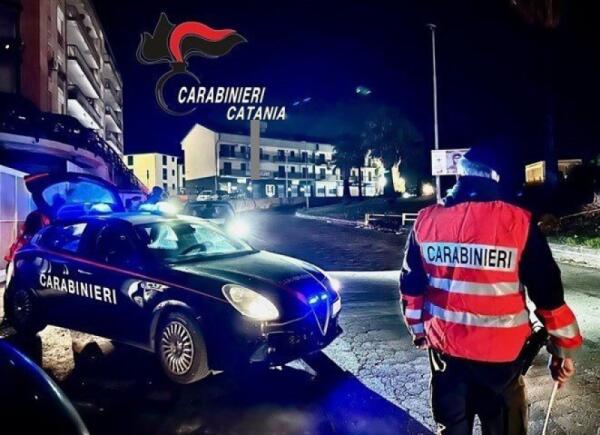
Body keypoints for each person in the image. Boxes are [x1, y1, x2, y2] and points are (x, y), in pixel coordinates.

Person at [399, 145, 582, 435]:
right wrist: (562, 349)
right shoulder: (518, 222)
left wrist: (419, 330)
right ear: (495, 177)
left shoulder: (427, 219)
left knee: (451, 427)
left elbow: (411, 285)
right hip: (501, 360)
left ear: (460, 175)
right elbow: (548, 293)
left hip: (445, 352)